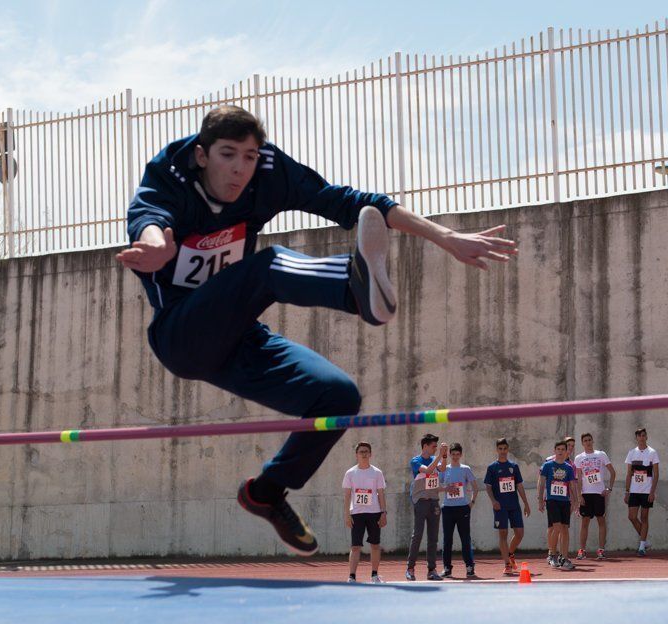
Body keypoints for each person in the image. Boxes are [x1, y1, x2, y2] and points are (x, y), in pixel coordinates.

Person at [118, 106, 515, 555]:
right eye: (228, 155)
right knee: (266, 266)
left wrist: (447, 238)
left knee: (338, 396)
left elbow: (352, 202)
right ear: (203, 155)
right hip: (182, 334)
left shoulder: (268, 171)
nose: (240, 169)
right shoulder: (169, 172)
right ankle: (353, 287)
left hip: (239, 336)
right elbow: (147, 219)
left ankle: (266, 491)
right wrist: (154, 244)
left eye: (248, 156)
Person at [484, 437, 531, 576]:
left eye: (505, 448)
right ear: (497, 450)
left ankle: (510, 554)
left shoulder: (514, 467)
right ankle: (506, 564)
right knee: (503, 534)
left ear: (508, 449)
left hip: (514, 505)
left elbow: (520, 486)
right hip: (500, 506)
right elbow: (488, 487)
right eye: (500, 449)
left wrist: (526, 504)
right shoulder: (492, 468)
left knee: (519, 533)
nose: (503, 451)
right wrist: (493, 501)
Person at [342, 442, 387, 583]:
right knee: (355, 546)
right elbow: (347, 495)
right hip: (356, 514)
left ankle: (374, 575)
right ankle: (352, 576)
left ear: (371, 454)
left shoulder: (377, 472)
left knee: (375, 545)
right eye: (361, 451)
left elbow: (381, 494)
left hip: (374, 513)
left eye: (366, 451)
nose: (364, 454)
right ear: (356, 454)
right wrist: (347, 514)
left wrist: (383, 513)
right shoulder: (350, 473)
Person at [406, 434, 447, 581]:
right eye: (433, 446)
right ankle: (410, 568)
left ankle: (432, 570)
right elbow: (428, 470)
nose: (436, 448)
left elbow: (442, 468)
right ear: (425, 446)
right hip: (421, 501)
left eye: (437, 446)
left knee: (433, 538)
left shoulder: (434, 460)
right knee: (417, 535)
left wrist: (444, 456)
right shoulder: (416, 461)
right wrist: (439, 456)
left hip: (434, 501)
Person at [574, 433, 616, 560]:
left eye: (589, 440)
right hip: (586, 494)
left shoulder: (601, 455)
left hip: (599, 493)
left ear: (593, 441)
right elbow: (579, 479)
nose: (588, 442)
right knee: (584, 522)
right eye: (585, 440)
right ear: (582, 443)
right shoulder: (579, 458)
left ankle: (601, 550)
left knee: (601, 521)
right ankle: (582, 550)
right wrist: (579, 494)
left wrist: (609, 488)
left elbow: (613, 472)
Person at [440, 443, 480, 578]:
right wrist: (445, 488)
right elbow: (437, 485)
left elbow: (475, 487)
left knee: (465, 539)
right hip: (447, 509)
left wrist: (472, 502)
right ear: (450, 455)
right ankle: (447, 568)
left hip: (463, 508)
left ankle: (469, 566)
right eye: (453, 454)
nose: (455, 456)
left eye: (458, 454)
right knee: (447, 540)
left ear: (461, 455)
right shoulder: (445, 469)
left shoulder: (465, 469)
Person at [539, 440, 579, 571]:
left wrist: (575, 501)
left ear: (567, 452)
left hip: (564, 501)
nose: (561, 451)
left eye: (563, 449)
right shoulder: (548, 465)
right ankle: (553, 554)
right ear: (555, 451)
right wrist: (540, 499)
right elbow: (542, 482)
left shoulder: (568, 467)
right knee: (556, 528)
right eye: (559, 449)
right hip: (552, 501)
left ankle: (564, 558)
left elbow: (572, 485)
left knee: (565, 529)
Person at [624, 427, 660, 556]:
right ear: (636, 438)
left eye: (643, 435)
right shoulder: (631, 453)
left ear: (646, 437)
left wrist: (652, 492)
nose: (641, 437)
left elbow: (656, 474)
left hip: (646, 491)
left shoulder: (652, 452)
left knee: (644, 517)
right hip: (634, 491)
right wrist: (627, 491)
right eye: (639, 436)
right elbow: (629, 474)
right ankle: (645, 541)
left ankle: (641, 547)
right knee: (632, 517)